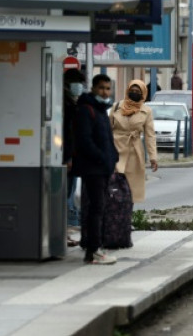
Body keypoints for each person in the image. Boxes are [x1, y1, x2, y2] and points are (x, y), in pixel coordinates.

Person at [73, 74, 119, 265]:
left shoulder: (101, 110)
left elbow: (107, 139)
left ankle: (95, 248)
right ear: (93, 88)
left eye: (108, 89)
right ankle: (93, 251)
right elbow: (84, 140)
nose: (105, 92)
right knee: (96, 208)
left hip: (103, 167)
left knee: (99, 208)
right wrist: (102, 158)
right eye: (101, 88)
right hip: (93, 168)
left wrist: (113, 157)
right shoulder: (86, 110)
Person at [108, 79, 158, 247]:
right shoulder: (116, 107)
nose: (134, 92)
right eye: (132, 89)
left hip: (134, 152)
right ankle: (111, 217)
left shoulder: (146, 111)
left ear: (143, 93)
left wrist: (153, 157)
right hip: (115, 150)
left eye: (138, 90)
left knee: (131, 189)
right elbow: (107, 129)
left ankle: (126, 219)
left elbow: (150, 135)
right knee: (113, 187)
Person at [63, 68, 85, 247]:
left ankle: (62, 233)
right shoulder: (65, 102)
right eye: (78, 84)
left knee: (68, 194)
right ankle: (61, 234)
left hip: (72, 157)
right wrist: (69, 157)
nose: (80, 88)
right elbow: (67, 133)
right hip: (67, 157)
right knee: (65, 195)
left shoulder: (70, 100)